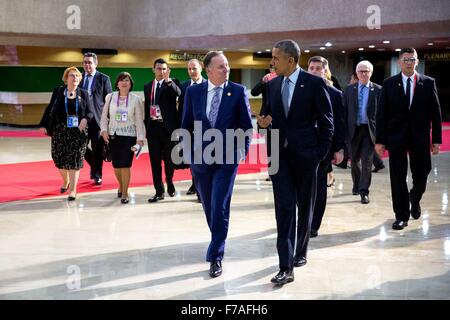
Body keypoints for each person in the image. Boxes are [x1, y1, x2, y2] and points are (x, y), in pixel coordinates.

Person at [256, 40, 333, 285]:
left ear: (291, 60)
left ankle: (301, 251)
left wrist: (318, 155)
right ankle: (285, 266)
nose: (272, 62)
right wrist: (262, 125)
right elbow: (267, 117)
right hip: (279, 158)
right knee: (285, 210)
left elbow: (327, 124)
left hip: (307, 158)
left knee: (304, 207)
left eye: (276, 58)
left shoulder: (314, 83)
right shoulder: (273, 84)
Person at [181, 51, 253, 278]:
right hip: (201, 160)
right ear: (208, 70)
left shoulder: (238, 91)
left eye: (227, 66)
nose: (226, 69)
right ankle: (217, 239)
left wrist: (241, 151)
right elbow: (186, 125)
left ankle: (216, 255)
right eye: (221, 66)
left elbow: (246, 126)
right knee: (209, 206)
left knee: (220, 204)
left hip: (227, 159)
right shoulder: (193, 92)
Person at [376, 48, 442, 230]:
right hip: (396, 137)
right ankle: (401, 215)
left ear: (417, 61)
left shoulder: (428, 83)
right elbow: (381, 114)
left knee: (422, 172)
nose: (408, 62)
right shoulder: (389, 84)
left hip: (420, 138)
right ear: (399, 62)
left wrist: (436, 140)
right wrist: (380, 140)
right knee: (397, 177)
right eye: (405, 59)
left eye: (412, 59)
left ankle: (415, 197)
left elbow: (436, 114)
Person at [39, 67, 92, 200]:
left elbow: (90, 111)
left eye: (77, 76)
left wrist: (85, 119)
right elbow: (50, 107)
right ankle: (65, 181)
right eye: (72, 76)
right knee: (59, 159)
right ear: (66, 78)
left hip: (78, 132)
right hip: (60, 131)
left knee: (75, 160)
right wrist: (43, 124)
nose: (75, 78)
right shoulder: (59, 91)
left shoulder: (84, 93)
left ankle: (73, 190)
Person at [307, 56, 345, 238]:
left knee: (320, 186)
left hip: (323, 147)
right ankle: (304, 218)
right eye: (311, 68)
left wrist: (339, 148)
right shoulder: (300, 90)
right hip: (301, 146)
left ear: (325, 70)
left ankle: (314, 225)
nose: (314, 71)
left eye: (318, 68)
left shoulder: (335, 94)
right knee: (303, 186)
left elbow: (339, 123)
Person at [100, 72, 145, 204]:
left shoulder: (135, 99)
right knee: (116, 166)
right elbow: (104, 116)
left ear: (130, 84)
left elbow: (139, 120)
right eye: (121, 80)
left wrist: (140, 138)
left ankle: (125, 192)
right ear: (117, 83)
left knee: (125, 165)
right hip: (114, 135)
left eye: (127, 80)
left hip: (129, 136)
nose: (124, 83)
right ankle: (120, 185)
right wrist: (103, 130)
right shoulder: (110, 97)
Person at [343, 60, 381, 204]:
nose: (363, 74)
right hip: (353, 130)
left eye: (366, 71)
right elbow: (344, 112)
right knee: (354, 162)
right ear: (356, 73)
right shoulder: (349, 90)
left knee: (367, 162)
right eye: (360, 71)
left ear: (371, 73)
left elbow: (382, 114)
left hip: (369, 131)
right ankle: (357, 184)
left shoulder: (378, 90)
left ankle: (364, 191)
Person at [144, 58, 181, 203]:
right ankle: (159, 191)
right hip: (153, 129)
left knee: (170, 160)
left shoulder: (172, 83)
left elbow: (178, 94)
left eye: (164, 69)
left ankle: (169, 181)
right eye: (159, 69)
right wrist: (145, 127)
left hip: (169, 129)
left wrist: (168, 81)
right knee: (154, 161)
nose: (162, 71)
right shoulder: (148, 86)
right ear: (153, 70)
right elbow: (148, 107)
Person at [81, 52, 113, 186]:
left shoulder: (104, 79)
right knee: (79, 147)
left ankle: (97, 175)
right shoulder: (79, 77)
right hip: (82, 119)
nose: (87, 65)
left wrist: (108, 122)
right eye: (85, 62)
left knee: (98, 149)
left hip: (98, 120)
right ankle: (94, 167)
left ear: (96, 63)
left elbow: (109, 100)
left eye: (90, 62)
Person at [178, 59, 206, 201]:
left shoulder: (209, 85)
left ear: (201, 68)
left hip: (206, 132)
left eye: (194, 68)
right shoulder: (184, 87)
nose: (191, 71)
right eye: (189, 69)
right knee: (193, 162)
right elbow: (182, 111)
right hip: (189, 131)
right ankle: (196, 185)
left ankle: (200, 190)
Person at [251, 65, 277, 182]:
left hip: (280, 118)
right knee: (270, 146)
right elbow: (254, 92)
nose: (273, 70)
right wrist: (262, 81)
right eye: (271, 68)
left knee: (279, 145)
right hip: (265, 118)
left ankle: (279, 170)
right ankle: (272, 172)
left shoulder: (284, 80)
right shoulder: (266, 80)